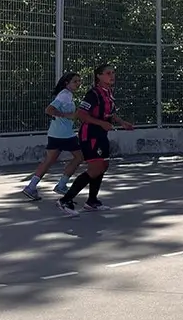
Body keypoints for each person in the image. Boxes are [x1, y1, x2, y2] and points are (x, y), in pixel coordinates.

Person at [58, 64, 134, 215]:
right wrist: (101, 123)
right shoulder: (93, 94)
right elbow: (81, 114)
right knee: (96, 168)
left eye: (113, 73)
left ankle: (92, 201)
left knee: (103, 165)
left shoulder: (108, 92)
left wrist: (122, 122)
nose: (112, 76)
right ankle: (65, 200)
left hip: (101, 135)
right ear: (98, 76)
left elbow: (110, 113)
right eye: (107, 73)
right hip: (90, 135)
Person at [21, 72, 85, 200]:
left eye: (79, 81)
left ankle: (31, 187)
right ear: (67, 83)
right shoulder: (65, 95)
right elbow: (49, 110)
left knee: (48, 161)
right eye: (75, 81)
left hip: (55, 133)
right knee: (79, 157)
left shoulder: (66, 95)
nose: (78, 84)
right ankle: (61, 185)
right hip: (65, 135)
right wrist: (67, 116)